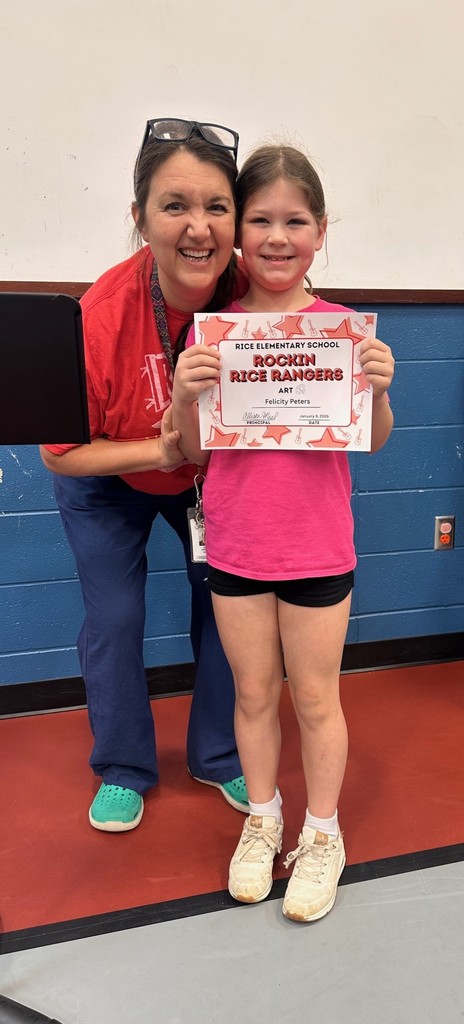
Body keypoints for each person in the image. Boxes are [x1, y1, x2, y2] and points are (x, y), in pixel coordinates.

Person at [172, 144, 395, 921]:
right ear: (238, 233)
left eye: (294, 221)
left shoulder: (342, 332)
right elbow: (194, 451)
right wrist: (182, 396)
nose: (276, 237)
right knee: (253, 693)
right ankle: (263, 817)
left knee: (316, 698)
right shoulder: (214, 334)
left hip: (317, 547)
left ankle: (323, 833)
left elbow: (372, 440)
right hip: (238, 544)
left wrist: (378, 391)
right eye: (260, 220)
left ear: (321, 231)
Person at [39, 118, 251, 832]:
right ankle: (123, 768)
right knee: (116, 616)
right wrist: (160, 453)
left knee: (229, 603)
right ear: (140, 217)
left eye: (217, 207)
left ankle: (219, 754)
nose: (198, 228)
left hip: (204, 479)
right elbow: (59, 453)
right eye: (174, 206)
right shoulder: (101, 315)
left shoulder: (253, 296)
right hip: (108, 474)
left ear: (236, 219)